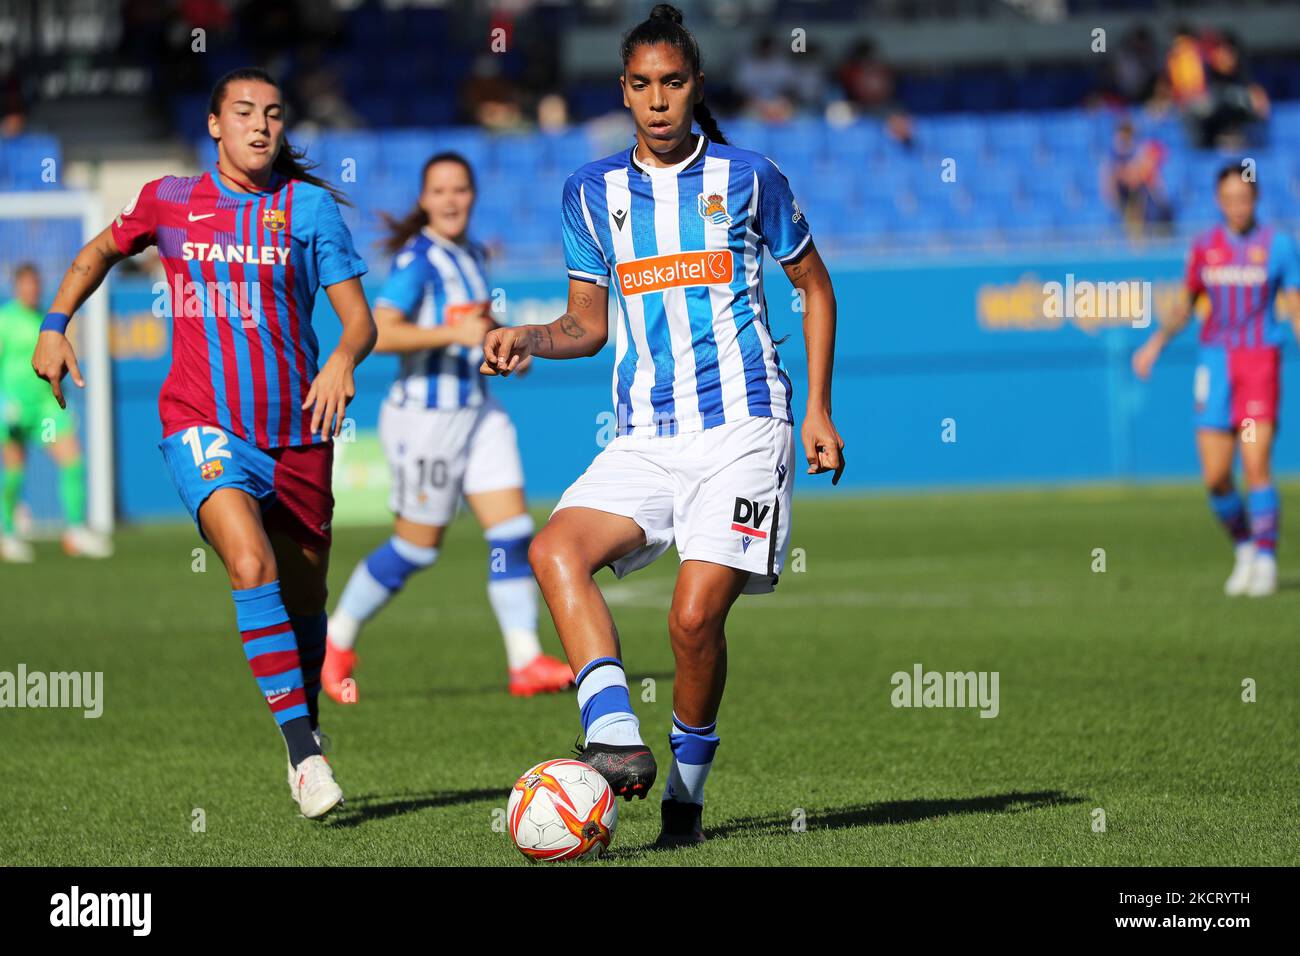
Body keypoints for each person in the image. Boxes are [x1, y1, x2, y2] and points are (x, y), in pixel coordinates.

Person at [481, 4, 844, 847]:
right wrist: (528, 337)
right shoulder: (591, 192)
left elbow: (815, 288)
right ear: (623, 91)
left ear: (697, 87)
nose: (657, 99)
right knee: (552, 549)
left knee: (690, 621)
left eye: (672, 82)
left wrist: (818, 409)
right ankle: (613, 736)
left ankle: (684, 796)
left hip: (746, 430)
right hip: (644, 435)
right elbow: (584, 325)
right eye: (642, 85)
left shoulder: (751, 178)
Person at [31, 67, 376, 818]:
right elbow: (96, 253)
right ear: (214, 125)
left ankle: (303, 722)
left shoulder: (308, 209)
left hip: (297, 432)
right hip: (201, 422)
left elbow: (359, 321)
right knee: (247, 562)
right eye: (244, 112)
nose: (261, 125)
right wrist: (54, 326)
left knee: (306, 590)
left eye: (274, 114)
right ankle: (303, 754)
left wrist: (344, 358)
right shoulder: (170, 200)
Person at [322, 152, 573, 701]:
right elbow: (380, 334)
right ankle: (334, 639)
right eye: (440, 191)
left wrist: (509, 347)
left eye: (460, 189)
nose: (451, 200)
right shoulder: (420, 261)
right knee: (417, 548)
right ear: (424, 200)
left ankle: (524, 659)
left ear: (473, 196)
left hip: (477, 412)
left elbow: (478, 327)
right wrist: (449, 336)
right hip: (425, 420)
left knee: (510, 533)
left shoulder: (473, 253)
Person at [1133, 164, 1300, 596]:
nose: (1237, 207)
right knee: (1215, 475)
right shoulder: (1205, 247)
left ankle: (1265, 557)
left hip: (1260, 363)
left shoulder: (1278, 246)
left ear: (1256, 199)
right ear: (1218, 201)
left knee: (1256, 461)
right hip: (1216, 366)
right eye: (1229, 199)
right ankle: (1244, 546)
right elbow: (1185, 305)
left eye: (1243, 198)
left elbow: (1296, 307)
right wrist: (1154, 345)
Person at [1, 263, 111, 561]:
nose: (32, 290)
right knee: (13, 471)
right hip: (14, 410)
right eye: (26, 285)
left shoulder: (46, 321)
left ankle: (75, 531)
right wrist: (3, 401)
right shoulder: (5, 320)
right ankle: (7, 534)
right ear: (16, 287)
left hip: (46, 411)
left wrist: (68, 400)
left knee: (71, 460)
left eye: (35, 284)